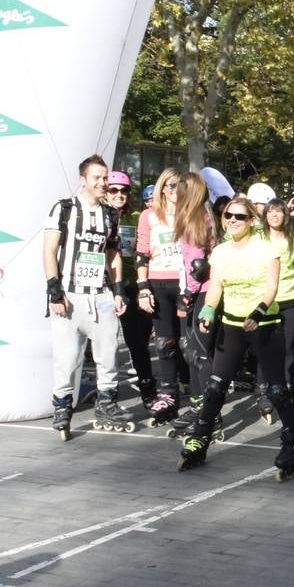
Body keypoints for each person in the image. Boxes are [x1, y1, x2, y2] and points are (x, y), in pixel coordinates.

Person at [181, 196, 294, 481]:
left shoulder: (267, 250)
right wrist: (209, 311)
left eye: (239, 216)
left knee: (276, 390)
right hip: (232, 325)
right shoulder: (221, 252)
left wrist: (260, 310)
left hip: (265, 325)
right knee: (215, 386)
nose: (232, 221)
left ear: (252, 220)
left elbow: (272, 287)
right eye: (228, 216)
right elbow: (216, 287)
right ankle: (201, 438)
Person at [43, 155, 130, 440]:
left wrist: (118, 290)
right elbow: (49, 251)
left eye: (105, 178)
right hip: (70, 295)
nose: (104, 183)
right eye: (98, 178)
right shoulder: (64, 209)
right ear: (83, 180)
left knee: (109, 352)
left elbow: (113, 254)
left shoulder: (109, 214)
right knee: (67, 358)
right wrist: (54, 290)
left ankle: (106, 403)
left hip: (101, 294)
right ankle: (62, 407)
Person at [136, 168, 189, 424]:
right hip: (158, 283)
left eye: (179, 185)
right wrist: (143, 288)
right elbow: (142, 253)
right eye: (169, 185)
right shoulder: (149, 216)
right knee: (164, 344)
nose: (174, 190)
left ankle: (200, 396)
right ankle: (168, 393)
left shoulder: (189, 214)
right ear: (161, 188)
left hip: (185, 284)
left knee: (189, 345)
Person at [170, 172, 218, 438]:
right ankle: (200, 406)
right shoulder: (202, 215)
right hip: (200, 291)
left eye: (178, 189)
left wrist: (187, 296)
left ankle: (211, 413)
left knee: (199, 354)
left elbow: (198, 268)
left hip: (201, 293)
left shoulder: (196, 219)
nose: (174, 194)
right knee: (193, 353)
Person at [104, 171, 155, 404]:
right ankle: (106, 394)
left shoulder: (137, 216)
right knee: (105, 342)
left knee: (137, 341)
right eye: (113, 190)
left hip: (133, 284)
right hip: (105, 286)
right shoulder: (97, 215)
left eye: (124, 191)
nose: (119, 195)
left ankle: (147, 389)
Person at [258, 198, 294, 423]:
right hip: (265, 300)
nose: (274, 215)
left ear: (285, 215)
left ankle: (288, 389)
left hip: (289, 298)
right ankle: (264, 394)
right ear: (265, 215)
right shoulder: (257, 238)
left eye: (279, 211)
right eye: (270, 212)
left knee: (287, 348)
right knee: (266, 348)